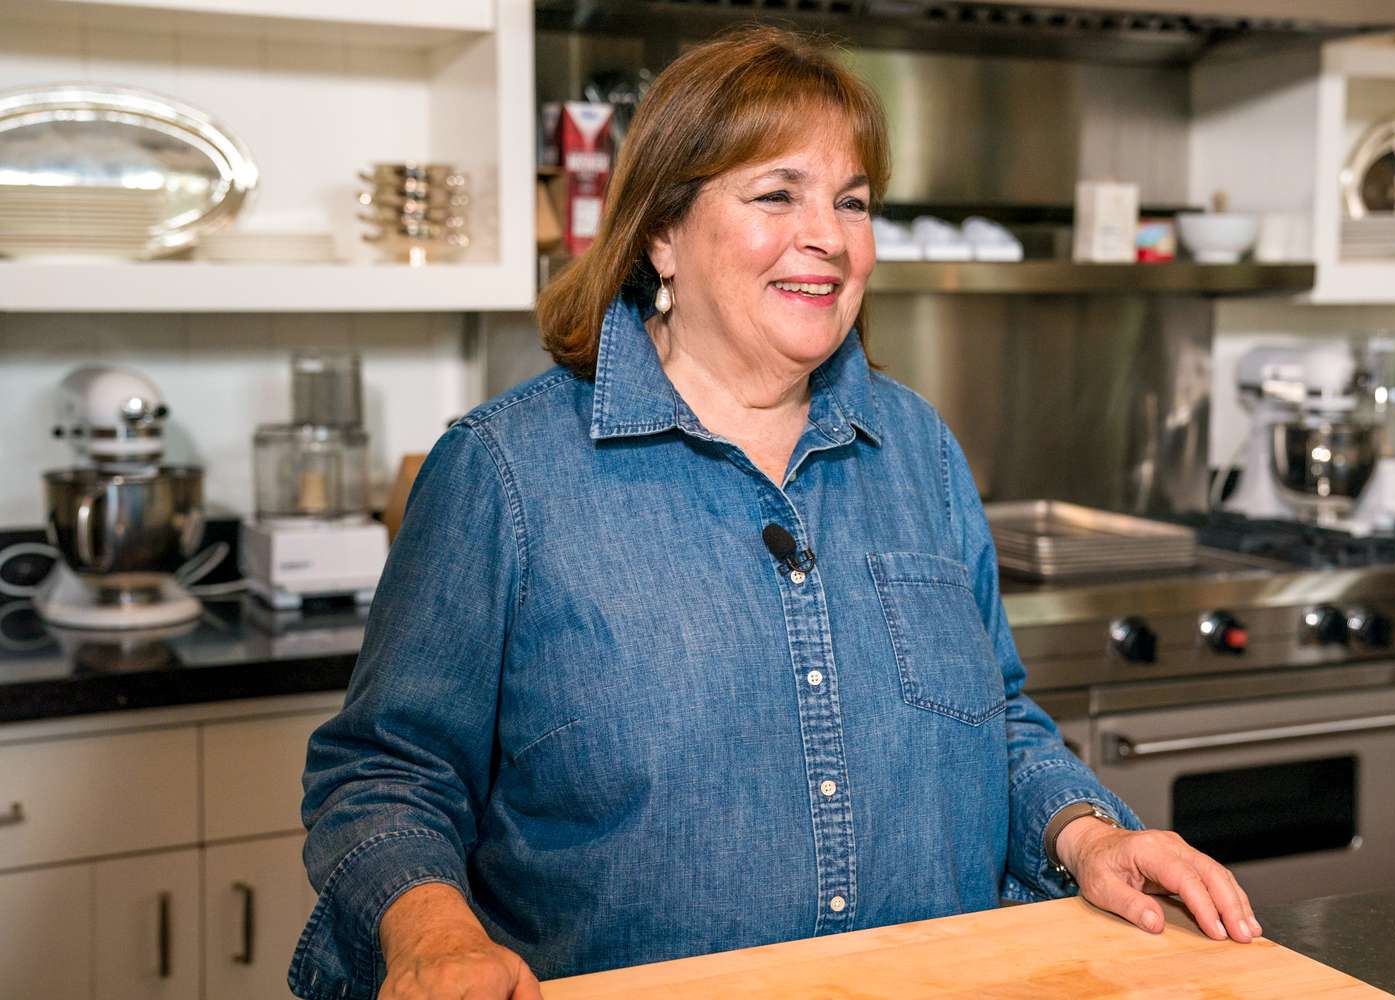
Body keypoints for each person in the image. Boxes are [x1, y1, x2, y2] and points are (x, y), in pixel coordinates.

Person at [290, 27, 1259, 1000]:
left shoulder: (916, 448)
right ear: (662, 230)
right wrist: (433, 932)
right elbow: (387, 770)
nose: (829, 237)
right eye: (776, 194)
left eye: (853, 201)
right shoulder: (509, 471)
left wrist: (1089, 836)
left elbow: (994, 722)